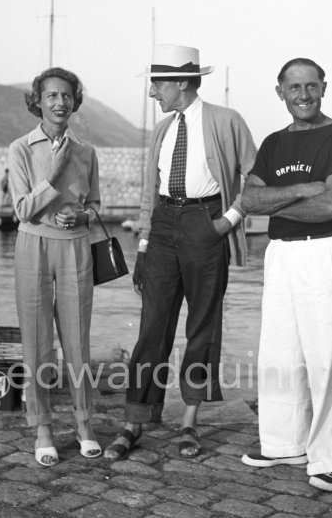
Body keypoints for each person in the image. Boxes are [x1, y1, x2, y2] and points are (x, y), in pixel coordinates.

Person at [104, 44, 257, 460]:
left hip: (204, 223)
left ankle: (189, 423)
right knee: (152, 327)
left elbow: (255, 174)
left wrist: (229, 220)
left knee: (202, 326)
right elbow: (149, 190)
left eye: (158, 84)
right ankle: (134, 421)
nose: (153, 93)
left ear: (183, 83)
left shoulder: (227, 120)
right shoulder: (163, 130)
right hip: (163, 224)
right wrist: (144, 242)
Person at [240, 58, 332, 492]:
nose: (304, 95)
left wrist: (273, 200)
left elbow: (331, 207)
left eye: (311, 86)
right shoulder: (274, 143)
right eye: (294, 88)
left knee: (325, 356)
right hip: (280, 255)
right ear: (280, 92)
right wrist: (300, 189)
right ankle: (283, 443)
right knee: (279, 351)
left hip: (322, 252)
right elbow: (248, 201)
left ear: (324, 88)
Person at [8, 67, 102, 467]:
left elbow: (96, 206)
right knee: (37, 342)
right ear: (38, 101)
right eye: (52, 96)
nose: (60, 102)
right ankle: (43, 426)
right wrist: (53, 172)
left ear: (74, 101)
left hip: (75, 248)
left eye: (67, 95)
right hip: (33, 245)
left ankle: (84, 423)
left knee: (78, 343)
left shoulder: (87, 151)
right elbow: (22, 210)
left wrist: (82, 218)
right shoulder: (20, 149)